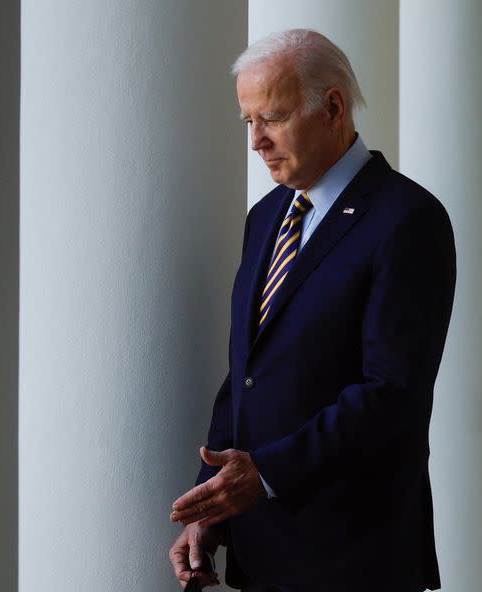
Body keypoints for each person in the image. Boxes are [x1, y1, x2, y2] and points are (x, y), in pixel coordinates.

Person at [168, 29, 455, 592]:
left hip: (355, 557)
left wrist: (266, 475)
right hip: (262, 554)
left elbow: (392, 392)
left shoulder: (408, 218)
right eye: (247, 121)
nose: (256, 141)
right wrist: (211, 506)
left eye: (271, 118)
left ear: (332, 108)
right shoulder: (266, 217)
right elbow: (246, 375)